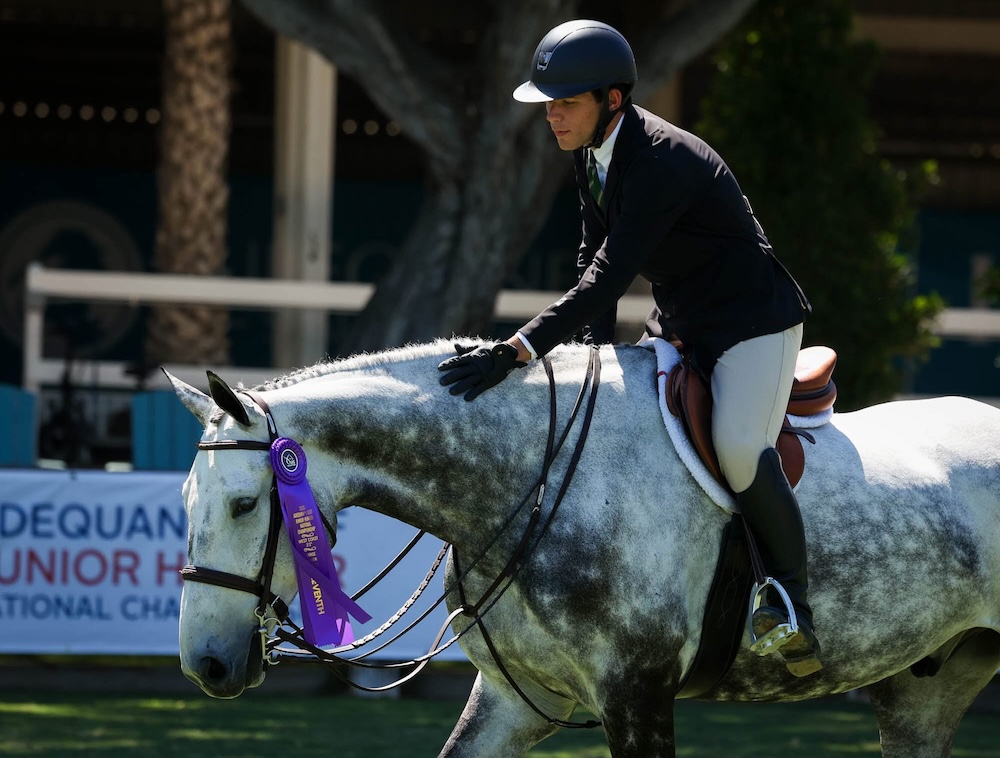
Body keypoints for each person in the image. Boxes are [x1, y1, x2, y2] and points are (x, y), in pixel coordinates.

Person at [437, 19, 821, 676]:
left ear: (612, 100)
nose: (553, 116)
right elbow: (592, 256)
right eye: (549, 104)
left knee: (734, 442)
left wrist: (518, 351)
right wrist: (590, 357)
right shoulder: (590, 152)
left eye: (566, 103)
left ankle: (791, 604)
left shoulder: (663, 161)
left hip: (751, 323)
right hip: (681, 321)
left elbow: (612, 274)